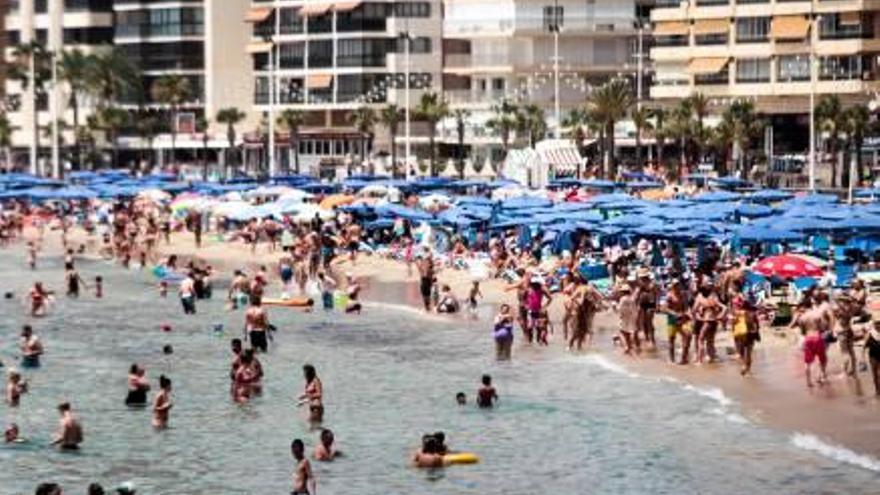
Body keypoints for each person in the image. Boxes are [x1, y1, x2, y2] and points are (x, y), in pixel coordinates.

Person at [790, 300, 830, 387]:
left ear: (803, 307)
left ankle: (809, 382)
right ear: (811, 306)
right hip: (818, 337)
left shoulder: (802, 317)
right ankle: (822, 377)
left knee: (807, 362)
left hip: (808, 338)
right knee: (822, 358)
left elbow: (802, 332)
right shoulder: (817, 315)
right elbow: (823, 327)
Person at [663, 279, 691, 364]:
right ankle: (672, 359)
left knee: (688, 336)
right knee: (671, 340)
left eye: (678, 285)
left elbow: (686, 306)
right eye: (675, 285)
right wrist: (674, 313)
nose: (677, 286)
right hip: (672, 319)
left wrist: (688, 313)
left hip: (683, 318)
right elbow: (664, 308)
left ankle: (684, 358)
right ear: (672, 286)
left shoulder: (683, 295)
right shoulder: (669, 296)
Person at [864, 321, 880, 396]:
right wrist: (862, 357)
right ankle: (877, 389)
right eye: (876, 324)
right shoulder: (870, 333)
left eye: (879, 324)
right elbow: (865, 345)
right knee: (875, 373)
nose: (878, 325)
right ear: (874, 325)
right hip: (873, 356)